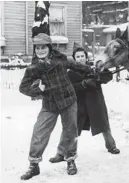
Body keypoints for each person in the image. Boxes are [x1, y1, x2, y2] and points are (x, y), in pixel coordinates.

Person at [19, 33, 92, 180]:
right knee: (39, 133)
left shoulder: (61, 59)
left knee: (70, 130)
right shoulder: (33, 68)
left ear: (49, 47)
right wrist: (38, 90)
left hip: (68, 100)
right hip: (50, 104)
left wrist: (90, 70)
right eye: (37, 48)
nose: (40, 50)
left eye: (43, 47)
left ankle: (70, 159)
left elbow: (75, 65)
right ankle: (34, 165)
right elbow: (23, 87)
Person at [49, 43, 120, 164]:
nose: (81, 58)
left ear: (86, 57)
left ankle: (111, 146)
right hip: (78, 105)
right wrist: (84, 84)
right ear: (74, 58)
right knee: (71, 130)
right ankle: (61, 153)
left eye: (82, 56)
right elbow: (68, 88)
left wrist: (98, 77)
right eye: (78, 56)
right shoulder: (69, 72)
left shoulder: (94, 68)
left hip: (95, 103)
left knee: (103, 125)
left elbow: (108, 77)